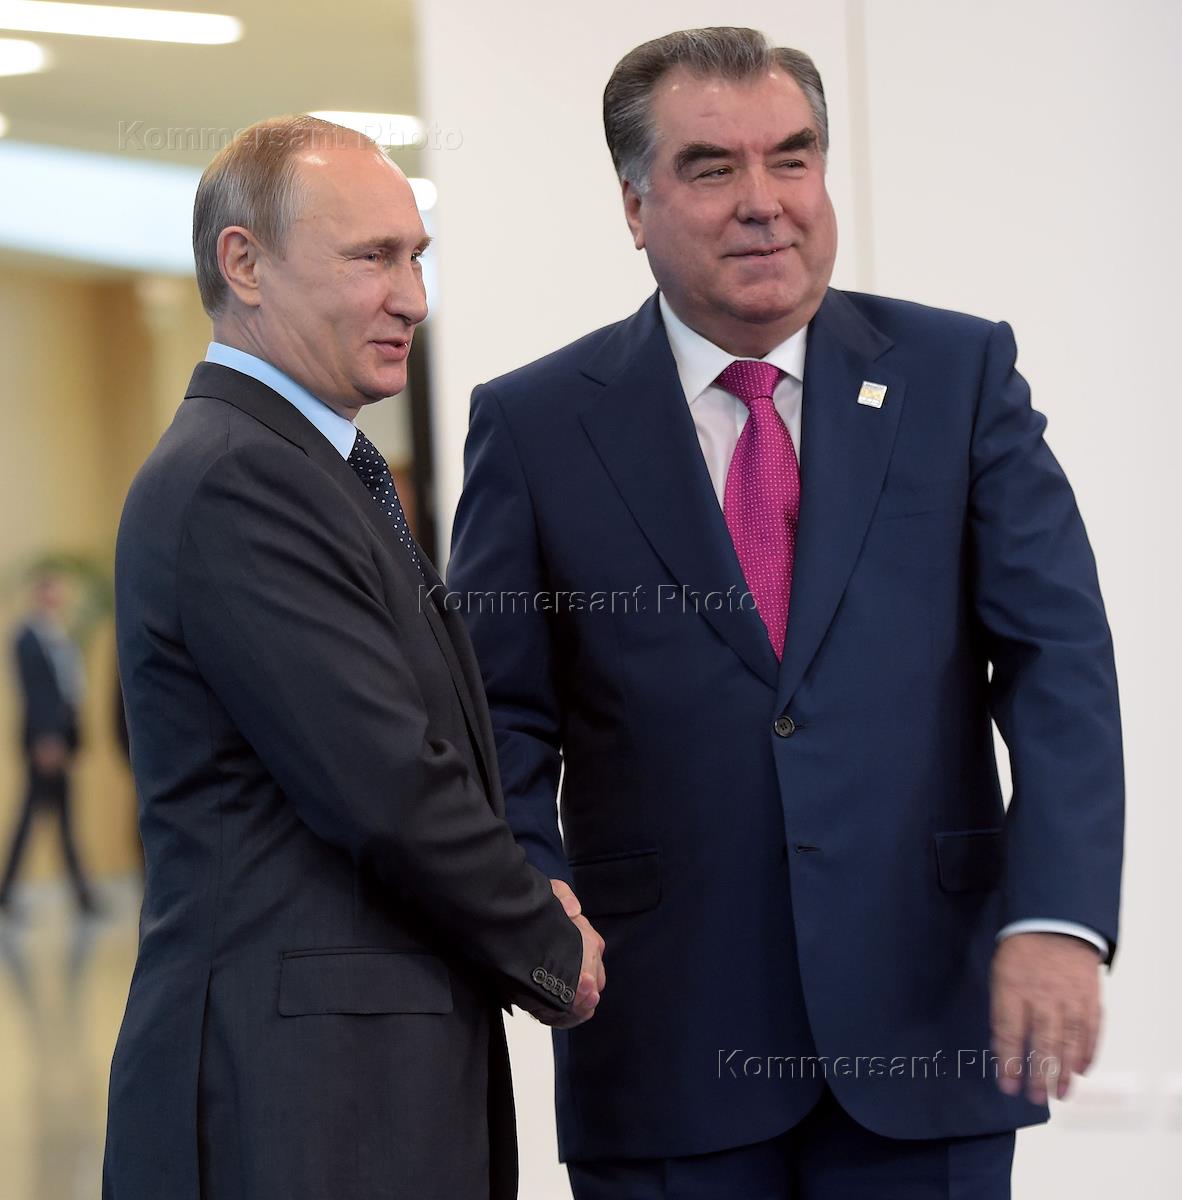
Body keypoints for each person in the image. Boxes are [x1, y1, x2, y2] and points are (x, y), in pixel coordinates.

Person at [447, 27, 1123, 1200]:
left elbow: (1058, 658)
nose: (765, 201)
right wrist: (529, 892)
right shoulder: (539, 423)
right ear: (634, 205)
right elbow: (495, 713)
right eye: (712, 168)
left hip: (926, 1026)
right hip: (662, 1040)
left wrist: (1060, 915)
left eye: (793, 158)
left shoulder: (957, 375)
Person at [103, 115, 604, 1200]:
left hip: (346, 1090)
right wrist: (546, 939)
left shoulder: (312, 469)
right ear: (244, 264)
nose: (412, 298)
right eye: (373, 257)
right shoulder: (241, 479)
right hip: (295, 1106)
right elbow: (385, 783)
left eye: (416, 257)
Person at [0, 567, 98, 916]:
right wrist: (47, 739)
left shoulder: (59, 636)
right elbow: (37, 694)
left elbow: (68, 689)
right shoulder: (27, 638)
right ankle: (8, 892)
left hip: (61, 740)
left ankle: (82, 895)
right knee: (31, 818)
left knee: (64, 819)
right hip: (45, 743)